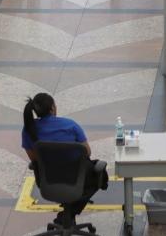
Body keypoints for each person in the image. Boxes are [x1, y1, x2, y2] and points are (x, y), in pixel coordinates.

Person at [22, 93, 106, 222]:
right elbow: (87, 152)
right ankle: (71, 211)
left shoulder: (28, 129)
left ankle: (68, 212)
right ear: (52, 109)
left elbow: (34, 159)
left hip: (48, 180)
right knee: (100, 174)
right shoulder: (70, 125)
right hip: (76, 177)